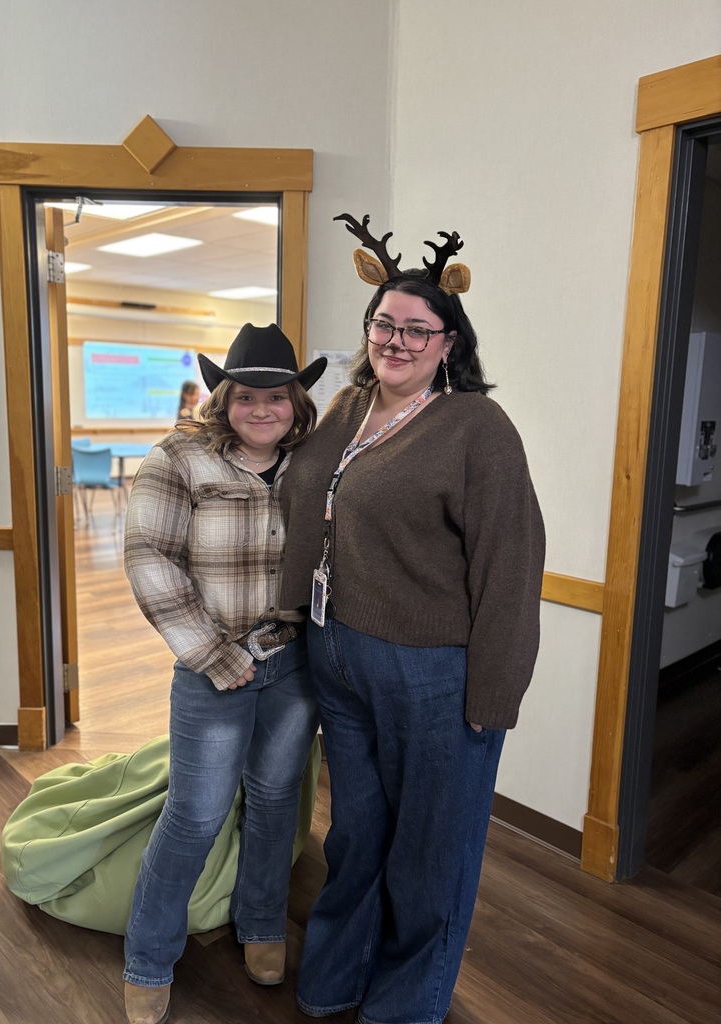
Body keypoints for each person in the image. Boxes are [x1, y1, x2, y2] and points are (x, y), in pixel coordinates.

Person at [279, 214, 545, 1024]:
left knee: (431, 855)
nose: (396, 340)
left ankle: (405, 1008)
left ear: (450, 344)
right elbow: (302, 496)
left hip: (433, 674)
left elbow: (511, 565)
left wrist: (492, 699)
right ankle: (335, 981)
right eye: (384, 324)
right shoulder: (349, 405)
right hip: (339, 652)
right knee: (357, 837)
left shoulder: (476, 428)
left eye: (417, 330)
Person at [122, 323, 327, 1024]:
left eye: (277, 395)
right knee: (196, 814)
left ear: (297, 402)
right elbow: (149, 558)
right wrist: (214, 653)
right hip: (213, 669)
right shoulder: (179, 459)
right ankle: (148, 960)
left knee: (274, 803)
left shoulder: (315, 463)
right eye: (247, 395)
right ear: (225, 398)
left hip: (295, 664)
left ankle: (262, 926)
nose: (262, 408)